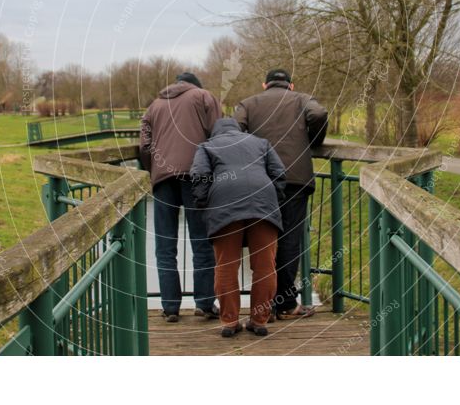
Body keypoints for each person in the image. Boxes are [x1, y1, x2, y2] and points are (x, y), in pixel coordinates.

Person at [234, 69, 328, 320]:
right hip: (295, 179)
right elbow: (318, 113)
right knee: (289, 240)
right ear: (291, 84)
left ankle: (263, 305)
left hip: (259, 179)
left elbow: (234, 130)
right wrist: (313, 141)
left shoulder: (248, 103)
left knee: (262, 239)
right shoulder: (301, 99)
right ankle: (285, 303)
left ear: (264, 84)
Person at [190, 118, 286, 337]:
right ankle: (259, 321)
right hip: (263, 202)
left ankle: (229, 322)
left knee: (226, 265)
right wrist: (272, 199)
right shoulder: (261, 143)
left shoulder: (206, 146)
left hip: (224, 204)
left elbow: (199, 176)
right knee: (265, 266)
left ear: (215, 133)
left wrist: (205, 204)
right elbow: (279, 173)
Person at [140, 72, 221, 322]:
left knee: (165, 247)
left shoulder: (154, 106)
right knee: (202, 243)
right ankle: (205, 303)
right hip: (196, 176)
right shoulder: (204, 97)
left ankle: (170, 307)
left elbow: (145, 146)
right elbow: (218, 136)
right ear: (194, 86)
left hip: (163, 180)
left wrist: (153, 170)